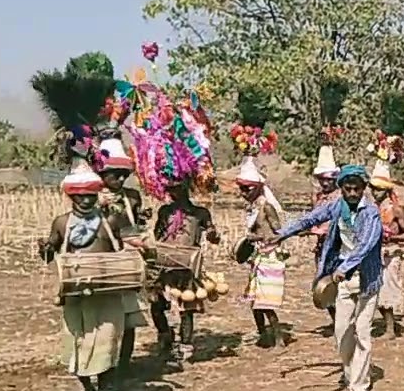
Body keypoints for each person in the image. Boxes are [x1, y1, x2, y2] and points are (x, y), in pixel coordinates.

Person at [267, 165, 385, 391]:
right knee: (341, 331)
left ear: (364, 190)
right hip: (342, 278)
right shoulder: (336, 206)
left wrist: (344, 267)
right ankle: (351, 372)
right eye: (348, 189)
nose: (352, 193)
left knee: (362, 332)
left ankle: (359, 386)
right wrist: (283, 233)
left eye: (357, 189)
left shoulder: (371, 213)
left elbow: (366, 245)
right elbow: (310, 219)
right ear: (341, 188)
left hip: (366, 278)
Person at [39, 160, 142, 391]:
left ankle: (106, 388)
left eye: (90, 196)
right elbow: (49, 253)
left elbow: (134, 240)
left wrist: (144, 249)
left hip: (107, 291)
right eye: (80, 196)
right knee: (78, 342)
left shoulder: (112, 219)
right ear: (71, 196)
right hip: (76, 293)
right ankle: (89, 390)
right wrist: (45, 248)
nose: (86, 201)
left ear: (97, 194)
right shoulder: (62, 223)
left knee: (107, 342)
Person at [93, 133, 149, 372]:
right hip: (102, 260)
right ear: (101, 174)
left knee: (128, 318)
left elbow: (135, 226)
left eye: (124, 174)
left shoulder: (133, 197)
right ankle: (104, 364)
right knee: (103, 319)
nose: (120, 179)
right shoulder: (91, 197)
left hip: (128, 258)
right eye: (115, 174)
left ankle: (124, 365)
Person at [150, 182, 220, 366]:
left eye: (178, 188)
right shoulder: (164, 212)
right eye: (171, 189)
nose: (173, 193)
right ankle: (165, 337)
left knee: (187, 309)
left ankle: (186, 347)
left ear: (186, 188)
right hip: (165, 265)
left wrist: (212, 233)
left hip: (188, 267)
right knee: (156, 305)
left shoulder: (201, 213)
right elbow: (157, 235)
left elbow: (214, 237)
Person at [235, 157, 288, 348]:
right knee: (255, 301)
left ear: (257, 187)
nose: (243, 193)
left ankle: (278, 338)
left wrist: (257, 239)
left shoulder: (266, 207)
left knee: (265, 303)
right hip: (257, 258)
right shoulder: (253, 207)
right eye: (241, 188)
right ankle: (263, 334)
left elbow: (278, 232)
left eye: (247, 188)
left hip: (269, 257)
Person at [369, 153, 404, 339]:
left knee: (388, 289)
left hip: (390, 255)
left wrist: (391, 238)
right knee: (374, 289)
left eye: (379, 189)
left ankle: (390, 329)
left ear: (386, 191)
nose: (375, 192)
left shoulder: (395, 209)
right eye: (373, 189)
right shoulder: (370, 208)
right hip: (374, 254)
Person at [310, 142, 342, 325]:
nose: (325, 182)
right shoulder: (318, 198)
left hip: (339, 248)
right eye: (322, 179)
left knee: (340, 284)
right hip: (322, 248)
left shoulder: (342, 197)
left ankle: (347, 321)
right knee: (323, 286)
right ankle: (337, 321)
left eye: (328, 179)